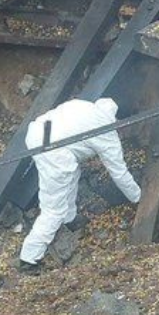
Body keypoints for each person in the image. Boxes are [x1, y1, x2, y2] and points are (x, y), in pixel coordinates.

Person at [19, 98, 141, 273]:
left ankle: (70, 219)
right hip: (54, 151)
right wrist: (139, 198)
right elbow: (119, 173)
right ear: (118, 121)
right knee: (53, 209)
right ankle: (29, 259)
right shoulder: (106, 132)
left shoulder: (86, 105)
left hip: (38, 134)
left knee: (71, 172)